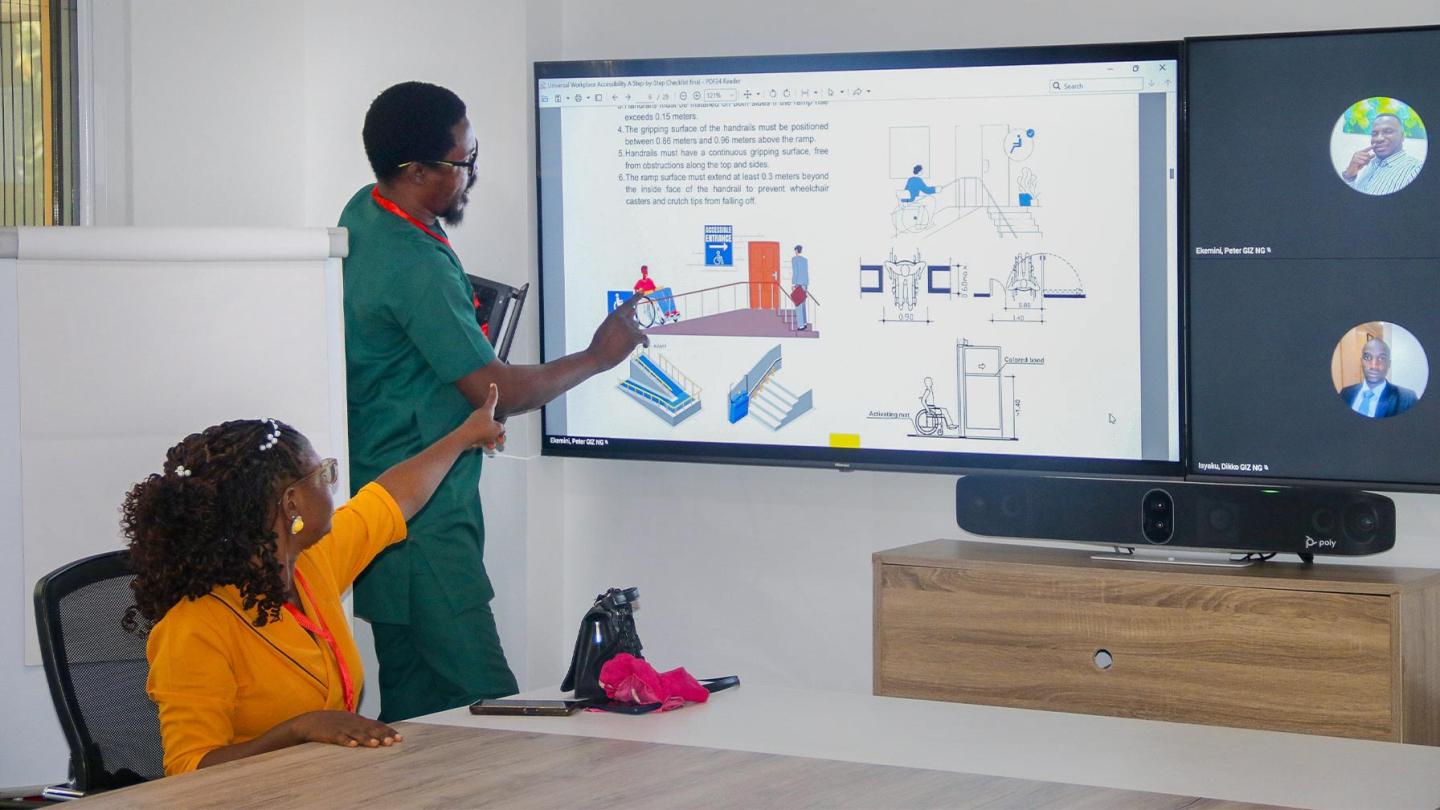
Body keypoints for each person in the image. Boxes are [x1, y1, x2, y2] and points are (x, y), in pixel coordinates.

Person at [339, 81, 648, 722]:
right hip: (425, 521)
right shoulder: (415, 265)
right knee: (493, 712)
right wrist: (598, 356)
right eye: (463, 162)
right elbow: (497, 392)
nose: (471, 176)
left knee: (414, 712)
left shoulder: (364, 213)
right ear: (414, 171)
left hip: (380, 503)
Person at [127, 387, 506, 775]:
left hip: (330, 783)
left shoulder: (311, 563)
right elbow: (188, 769)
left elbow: (394, 497)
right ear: (292, 502)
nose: (332, 485)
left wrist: (466, 435)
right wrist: (297, 730)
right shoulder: (194, 628)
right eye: (323, 474)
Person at [1342, 113, 1424, 195]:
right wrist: (1350, 175)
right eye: (1374, 134)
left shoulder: (1415, 170)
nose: (1379, 139)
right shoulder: (1369, 163)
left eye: (1388, 131)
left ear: (1402, 136)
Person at [1340, 337, 1418, 419]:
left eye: (1382, 358)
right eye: (1367, 357)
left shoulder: (1407, 399)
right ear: (1361, 361)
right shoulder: (1345, 393)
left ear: (1389, 364)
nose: (1374, 366)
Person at [790, 245, 810, 330]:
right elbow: (805, 272)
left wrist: (793, 283)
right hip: (805, 283)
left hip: (798, 283)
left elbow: (795, 272)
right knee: (803, 304)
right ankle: (804, 323)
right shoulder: (805, 260)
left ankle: (800, 325)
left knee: (798, 304)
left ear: (796, 251)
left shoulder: (794, 259)